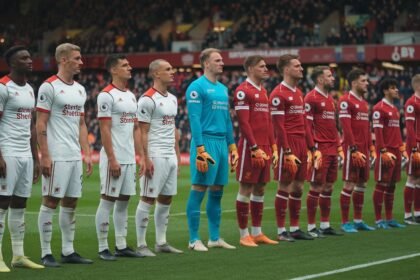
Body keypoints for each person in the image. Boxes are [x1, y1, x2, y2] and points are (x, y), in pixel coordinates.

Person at [36, 43, 93, 267]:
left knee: (71, 202)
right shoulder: (48, 87)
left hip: (74, 154)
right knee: (51, 200)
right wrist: (45, 155)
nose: (81, 62)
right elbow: (40, 122)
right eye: (77, 58)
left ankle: (68, 251)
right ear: (63, 59)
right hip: (57, 153)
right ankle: (45, 252)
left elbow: (81, 124)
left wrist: (86, 153)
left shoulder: (80, 89)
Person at [185, 48, 239, 251]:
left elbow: (226, 120)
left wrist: (232, 145)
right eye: (217, 60)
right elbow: (194, 119)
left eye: (222, 59)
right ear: (206, 63)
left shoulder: (223, 89)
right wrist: (200, 148)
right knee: (199, 188)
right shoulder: (196, 87)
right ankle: (193, 239)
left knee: (217, 191)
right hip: (205, 142)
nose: (222, 63)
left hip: (221, 143)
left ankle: (214, 237)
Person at [95, 54, 143, 261]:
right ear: (113, 70)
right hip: (114, 158)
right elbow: (104, 130)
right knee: (108, 200)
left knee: (124, 201)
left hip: (129, 158)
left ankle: (121, 244)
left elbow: (136, 128)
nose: (129, 68)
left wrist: (141, 155)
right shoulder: (106, 95)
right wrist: (112, 158)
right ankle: (103, 246)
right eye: (124, 65)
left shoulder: (131, 95)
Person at [0, 46, 44, 272]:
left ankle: (18, 255)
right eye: (23, 58)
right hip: (7, 150)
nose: (29, 60)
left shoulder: (29, 89)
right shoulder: (2, 87)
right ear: (12, 63)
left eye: (29, 57)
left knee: (20, 203)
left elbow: (32, 125)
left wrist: (36, 158)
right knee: (2, 202)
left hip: (26, 154)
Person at [135, 59, 183, 256]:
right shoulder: (147, 99)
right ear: (156, 74)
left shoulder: (172, 98)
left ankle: (161, 242)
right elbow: (141, 132)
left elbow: (172, 129)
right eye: (168, 69)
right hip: (155, 154)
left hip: (169, 155)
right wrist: (145, 158)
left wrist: (177, 156)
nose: (173, 72)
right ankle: (141, 244)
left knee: (166, 198)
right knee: (147, 198)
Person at [270, 54, 318, 241]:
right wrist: (286, 150)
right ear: (286, 69)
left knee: (298, 187)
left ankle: (296, 228)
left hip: (301, 144)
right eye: (297, 66)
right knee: (284, 185)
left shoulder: (299, 93)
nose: (301, 69)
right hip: (287, 143)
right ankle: (281, 231)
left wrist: (311, 146)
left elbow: (305, 122)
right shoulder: (278, 94)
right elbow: (279, 127)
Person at [233, 55, 279, 247]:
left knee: (260, 187)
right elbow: (243, 122)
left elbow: (268, 121)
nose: (265, 69)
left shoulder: (263, 91)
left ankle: (257, 232)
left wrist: (273, 146)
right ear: (251, 68)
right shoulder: (243, 91)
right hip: (250, 148)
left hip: (266, 147)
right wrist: (253, 147)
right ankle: (244, 235)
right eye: (261, 66)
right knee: (246, 188)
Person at [304, 66, 343, 237]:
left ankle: (325, 225)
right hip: (319, 149)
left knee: (328, 186)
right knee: (316, 186)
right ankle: (312, 227)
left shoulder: (330, 99)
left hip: (332, 147)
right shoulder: (311, 98)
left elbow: (333, 125)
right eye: (329, 76)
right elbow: (307, 126)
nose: (333, 79)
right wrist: (313, 148)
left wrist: (338, 145)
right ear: (320, 79)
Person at [338, 68, 375, 233]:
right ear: (354, 83)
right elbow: (346, 127)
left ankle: (358, 220)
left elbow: (366, 128)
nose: (367, 83)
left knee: (362, 183)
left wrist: (370, 148)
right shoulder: (346, 100)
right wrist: (353, 148)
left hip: (364, 149)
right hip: (352, 149)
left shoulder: (363, 103)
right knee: (349, 183)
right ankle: (345, 222)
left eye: (366, 81)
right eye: (363, 81)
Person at [372, 78, 407, 229]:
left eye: (396, 87)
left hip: (396, 150)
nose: (396, 90)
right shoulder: (379, 108)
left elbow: (397, 131)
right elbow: (378, 132)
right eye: (393, 88)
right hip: (385, 150)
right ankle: (379, 220)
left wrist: (401, 148)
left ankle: (390, 218)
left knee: (392, 185)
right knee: (382, 184)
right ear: (385, 90)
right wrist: (382, 151)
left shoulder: (394, 108)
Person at [403, 74, 420, 225]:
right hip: (416, 145)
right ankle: (408, 215)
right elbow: (409, 128)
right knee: (412, 178)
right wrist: (414, 147)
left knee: (419, 179)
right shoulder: (411, 103)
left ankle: (418, 212)